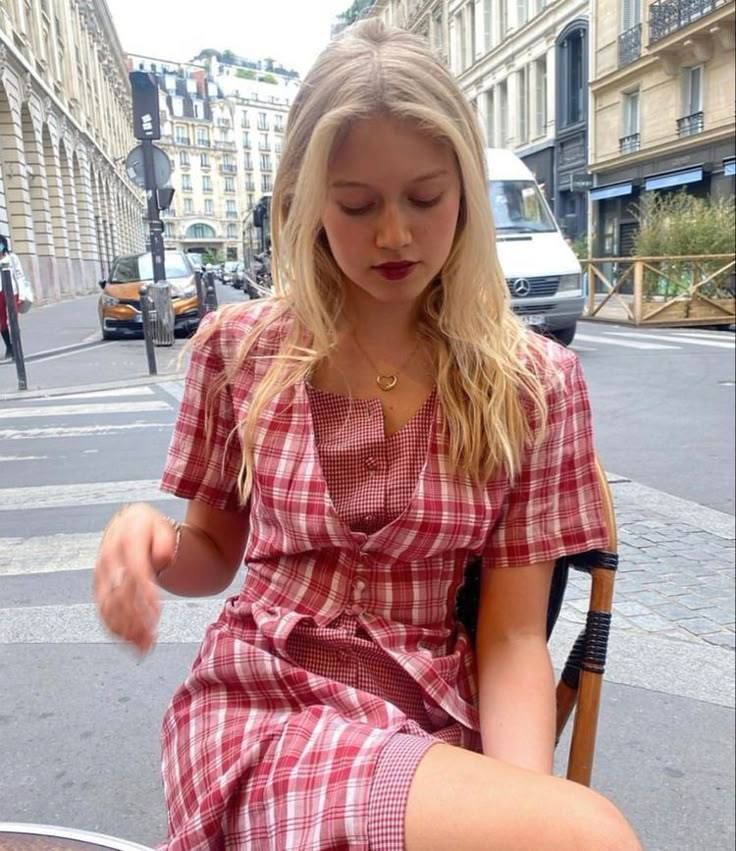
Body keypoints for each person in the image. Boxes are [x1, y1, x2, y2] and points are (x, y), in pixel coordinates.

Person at [94, 20, 641, 851]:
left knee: (567, 832)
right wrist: (151, 540)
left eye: (425, 198)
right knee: (590, 835)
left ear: (467, 190)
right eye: (356, 204)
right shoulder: (241, 350)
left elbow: (512, 635)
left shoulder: (534, 383)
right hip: (264, 703)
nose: (394, 234)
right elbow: (213, 552)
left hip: (428, 714)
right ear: (308, 199)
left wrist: (526, 804)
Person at [0, 234, 31, 360]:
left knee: (13, 319)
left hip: (12, 292)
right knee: (2, 322)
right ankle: (9, 346)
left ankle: (16, 346)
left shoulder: (12, 258)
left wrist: (22, 295)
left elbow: (19, 276)